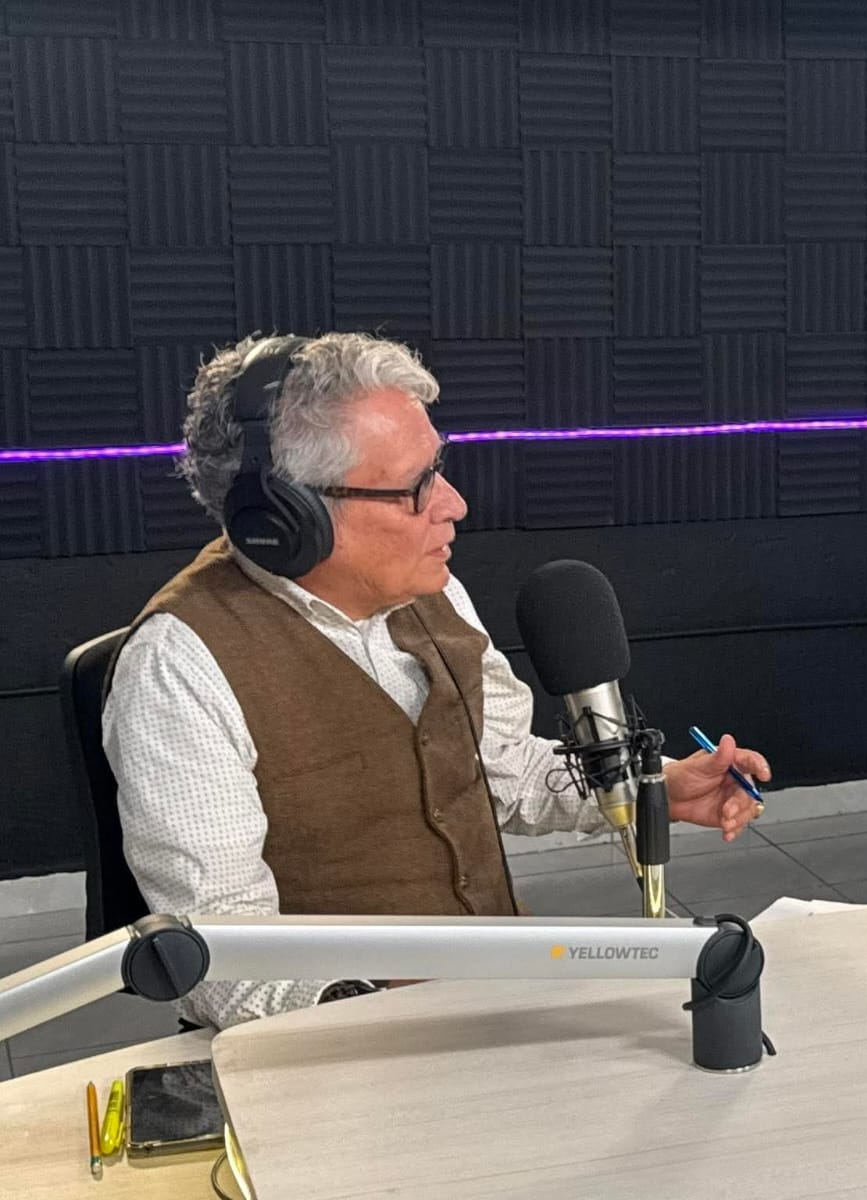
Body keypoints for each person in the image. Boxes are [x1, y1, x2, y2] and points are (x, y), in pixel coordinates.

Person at [104, 332, 770, 1028]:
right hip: (330, 1046)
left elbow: (501, 769)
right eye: (415, 486)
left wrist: (652, 786)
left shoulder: (431, 590)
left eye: (439, 470)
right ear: (288, 516)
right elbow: (221, 954)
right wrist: (386, 1000)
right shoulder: (178, 667)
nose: (453, 504)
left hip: (497, 995)